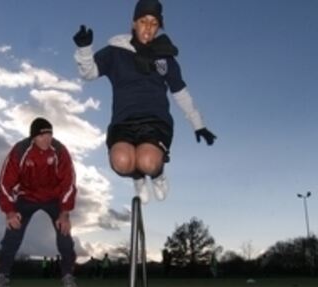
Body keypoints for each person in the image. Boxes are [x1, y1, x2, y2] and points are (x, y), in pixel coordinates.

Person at [73, 0, 216, 204]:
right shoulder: (116, 51)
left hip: (155, 121)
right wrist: (85, 50)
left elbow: (180, 92)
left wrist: (198, 125)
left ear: (159, 27)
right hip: (123, 121)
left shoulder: (165, 57)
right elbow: (89, 73)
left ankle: (157, 176)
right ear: (134, 23)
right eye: (143, 21)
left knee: (147, 161)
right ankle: (137, 178)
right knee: (122, 162)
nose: (148, 28)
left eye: (154, 23)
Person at [0, 117, 78, 287]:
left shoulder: (59, 151)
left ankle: (68, 276)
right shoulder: (20, 151)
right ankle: (2, 277)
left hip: (54, 197)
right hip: (27, 197)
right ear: (33, 137)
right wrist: (9, 211)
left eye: (50, 134)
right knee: (12, 233)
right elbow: (4, 183)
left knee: (64, 234)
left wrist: (65, 212)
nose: (47, 139)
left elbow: (69, 182)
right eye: (42, 135)